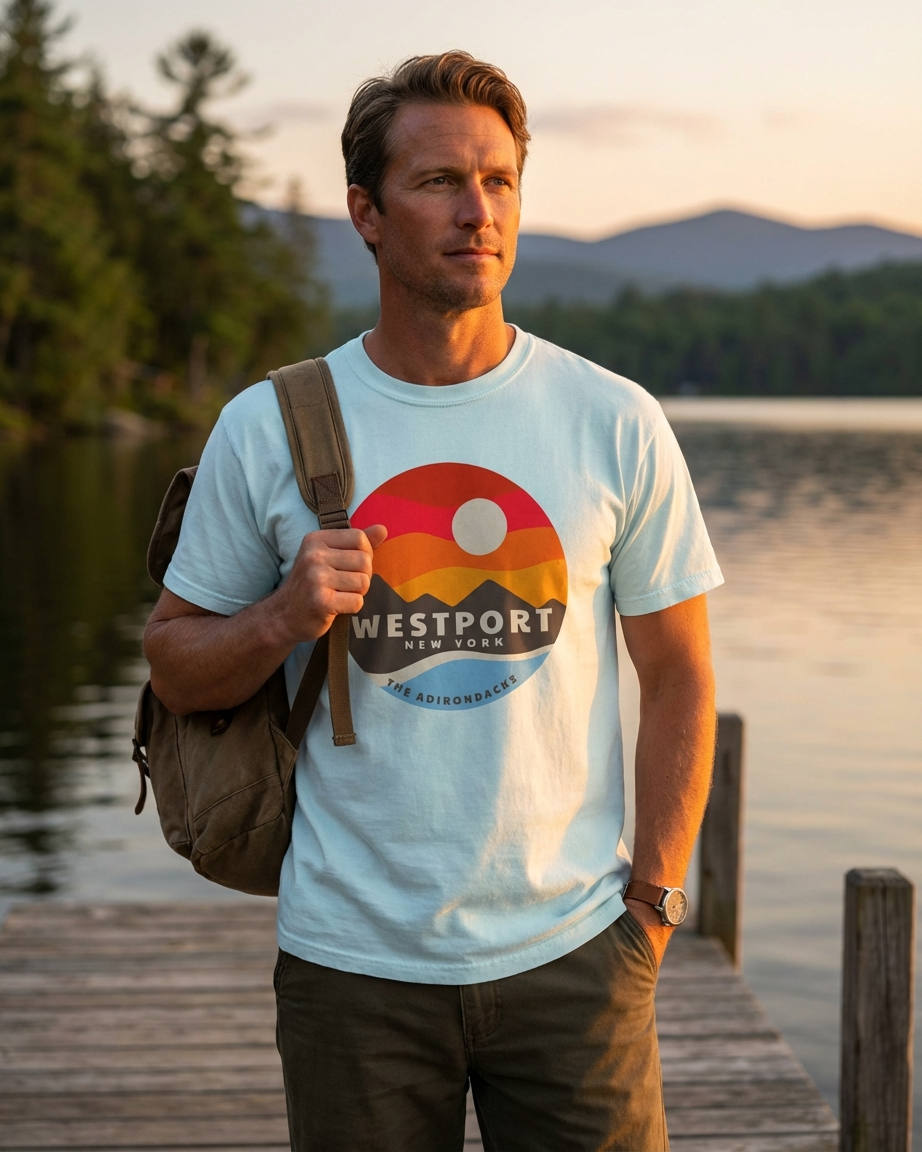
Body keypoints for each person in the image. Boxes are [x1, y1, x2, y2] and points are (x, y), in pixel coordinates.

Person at [144, 50, 722, 1152]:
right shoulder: (267, 426)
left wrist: (650, 906)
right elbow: (172, 664)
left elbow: (681, 674)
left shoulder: (612, 419)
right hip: (351, 972)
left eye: (498, 181)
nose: (476, 210)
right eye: (438, 182)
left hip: (575, 961)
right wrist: (278, 618)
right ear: (365, 213)